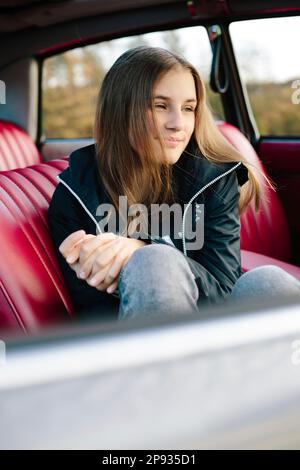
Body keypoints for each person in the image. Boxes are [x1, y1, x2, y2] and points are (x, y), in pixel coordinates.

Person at [48, 46, 300, 321]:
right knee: (154, 263)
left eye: (188, 108)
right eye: (160, 105)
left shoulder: (214, 179)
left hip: (216, 328)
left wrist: (141, 249)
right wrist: (135, 269)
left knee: (268, 282)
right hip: (136, 346)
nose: (178, 124)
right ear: (121, 109)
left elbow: (225, 290)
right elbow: (95, 317)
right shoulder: (75, 195)